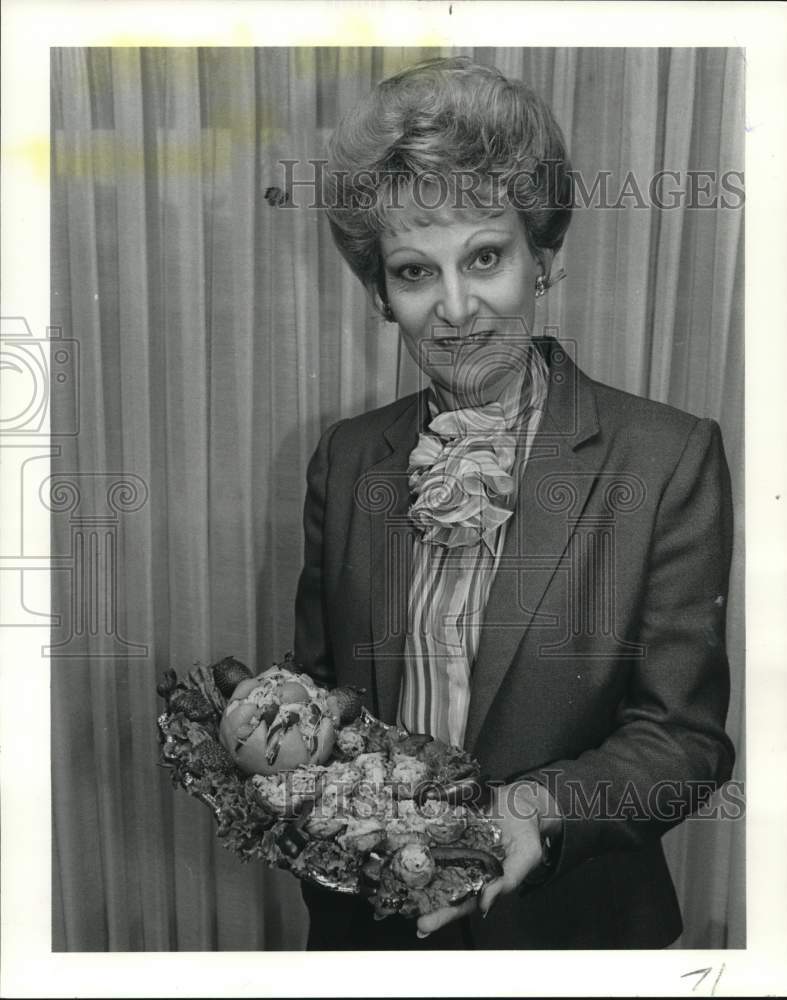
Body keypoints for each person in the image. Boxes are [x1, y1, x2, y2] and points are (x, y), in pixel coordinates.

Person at [293, 56, 734, 950]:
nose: (457, 309)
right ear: (382, 295)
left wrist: (532, 809)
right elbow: (324, 697)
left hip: (563, 930)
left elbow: (683, 740)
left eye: (484, 257)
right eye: (416, 272)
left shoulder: (664, 457)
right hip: (371, 930)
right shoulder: (346, 458)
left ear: (544, 257)